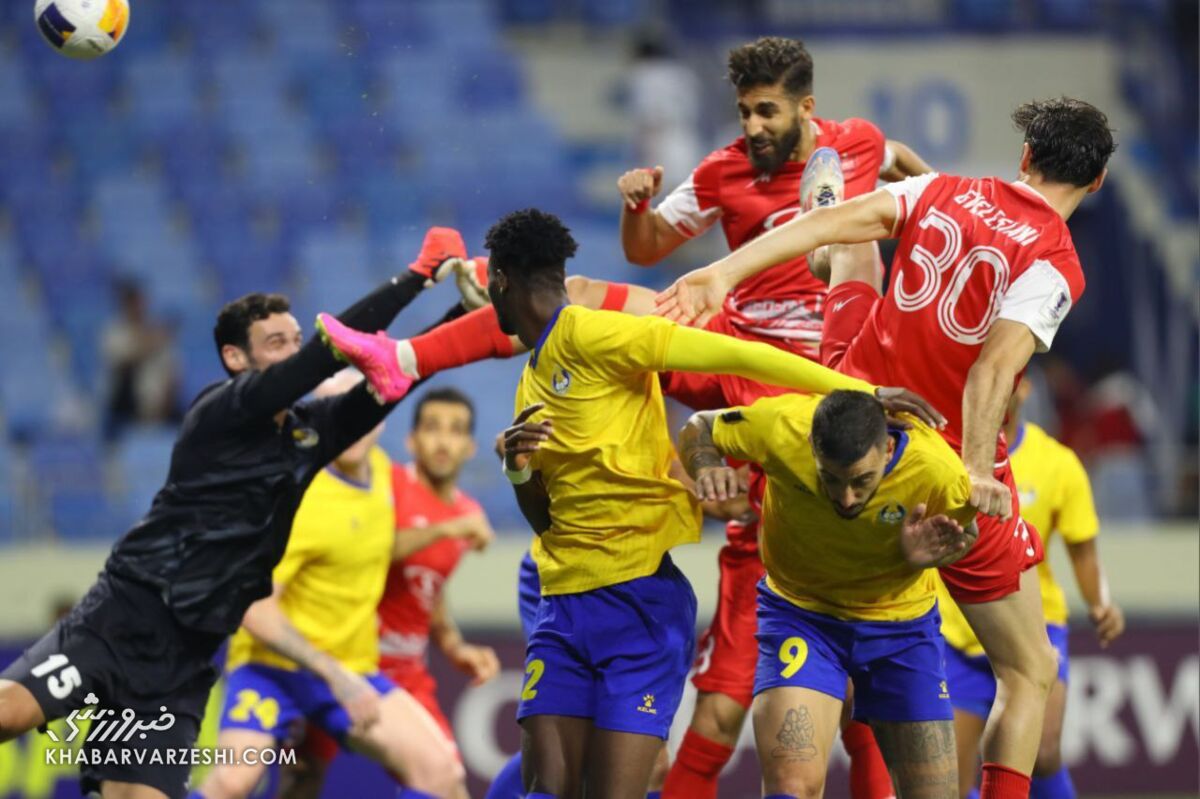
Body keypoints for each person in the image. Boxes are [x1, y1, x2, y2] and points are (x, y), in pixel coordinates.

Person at [316, 207, 942, 799]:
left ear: (501, 280)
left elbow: (732, 352)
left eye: (488, 287)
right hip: (563, 608)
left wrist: (854, 391)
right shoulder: (533, 381)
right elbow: (546, 521)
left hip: (638, 605)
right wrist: (515, 470)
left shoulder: (598, 333)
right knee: (545, 789)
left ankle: (401, 357)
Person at [656, 97, 1117, 799]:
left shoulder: (946, 189)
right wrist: (967, 470)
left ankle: (831, 259)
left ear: (1024, 156)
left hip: (852, 397)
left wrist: (725, 273)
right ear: (1100, 180)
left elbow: (842, 216)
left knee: (847, 241)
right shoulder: (1056, 263)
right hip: (937, 457)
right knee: (1029, 671)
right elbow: (994, 367)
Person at [0, 226, 469, 799]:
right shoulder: (218, 412)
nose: (293, 353)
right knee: (9, 715)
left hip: (184, 664)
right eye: (277, 343)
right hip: (120, 621)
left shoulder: (307, 435)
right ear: (234, 357)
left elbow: (393, 375)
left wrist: (462, 313)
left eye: (295, 340)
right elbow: (331, 352)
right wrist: (415, 277)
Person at [619, 38, 930, 798]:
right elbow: (648, 247)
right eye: (744, 111)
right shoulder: (724, 171)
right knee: (617, 330)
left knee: (867, 708)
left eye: (767, 111)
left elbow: (910, 170)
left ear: (806, 110)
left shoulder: (856, 144)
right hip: (748, 370)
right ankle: (509, 303)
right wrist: (634, 206)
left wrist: (930, 210)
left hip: (840, 385)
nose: (753, 126)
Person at [680, 389, 978, 797]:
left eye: (861, 481)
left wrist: (927, 555)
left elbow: (970, 534)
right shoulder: (781, 425)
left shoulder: (936, 469)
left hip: (900, 627)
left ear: (887, 447)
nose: (846, 497)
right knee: (791, 785)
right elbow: (701, 427)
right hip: (802, 616)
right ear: (810, 445)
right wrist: (706, 466)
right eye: (831, 479)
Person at [196, 371, 463, 799]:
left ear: (381, 414)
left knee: (440, 773)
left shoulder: (382, 473)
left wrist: (451, 637)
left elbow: (405, 556)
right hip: (273, 670)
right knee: (232, 782)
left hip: (353, 668)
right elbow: (253, 609)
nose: (351, 422)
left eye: (360, 408)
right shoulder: (296, 497)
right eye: (337, 411)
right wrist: (334, 675)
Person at [939, 379, 1124, 799]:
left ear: (1024, 391)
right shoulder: (945, 455)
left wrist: (1101, 603)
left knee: (1042, 753)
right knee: (949, 780)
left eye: (1010, 382)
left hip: (1035, 627)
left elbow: (1083, 550)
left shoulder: (1058, 463)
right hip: (958, 633)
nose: (999, 392)